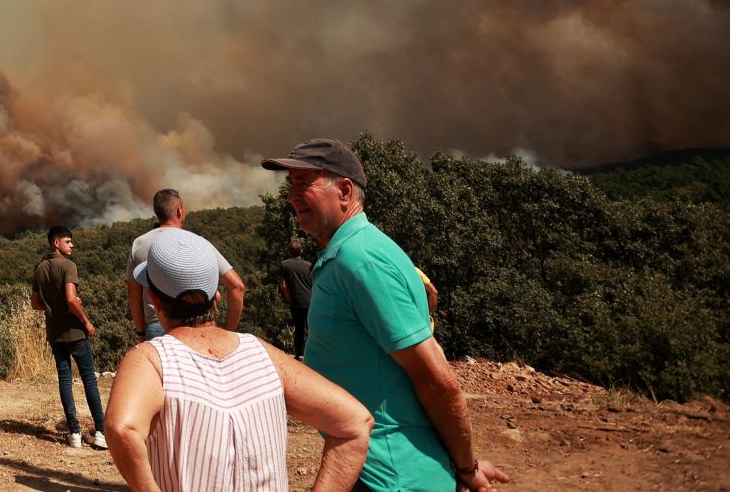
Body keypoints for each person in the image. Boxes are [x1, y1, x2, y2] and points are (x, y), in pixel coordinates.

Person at [262, 139, 510, 492]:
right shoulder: (350, 253)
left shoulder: (361, 260)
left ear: (344, 191)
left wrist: (467, 467)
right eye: (291, 185)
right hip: (376, 467)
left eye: (304, 183)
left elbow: (437, 379)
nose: (291, 195)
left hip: (391, 476)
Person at [104, 229, 372, 492]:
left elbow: (121, 429)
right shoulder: (263, 353)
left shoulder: (152, 360)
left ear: (153, 299)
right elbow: (355, 423)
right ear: (216, 297)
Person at [127, 189, 246, 339]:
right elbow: (237, 286)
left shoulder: (139, 245)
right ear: (179, 210)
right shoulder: (196, 243)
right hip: (196, 326)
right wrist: (227, 330)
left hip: (156, 327)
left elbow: (134, 295)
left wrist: (141, 333)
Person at [31, 225, 106, 449]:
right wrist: (85, 321)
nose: (72, 245)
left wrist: (53, 308)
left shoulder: (40, 268)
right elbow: (72, 299)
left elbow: (35, 304)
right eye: (68, 241)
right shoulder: (69, 266)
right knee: (88, 379)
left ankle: (74, 434)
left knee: (65, 380)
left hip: (55, 332)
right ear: (56, 243)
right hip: (75, 332)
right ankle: (101, 431)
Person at [279, 240, 314, 356]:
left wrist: (290, 299)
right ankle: (313, 355)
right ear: (301, 251)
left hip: (296, 302)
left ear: (289, 252)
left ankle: (298, 354)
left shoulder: (285, 265)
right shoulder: (309, 265)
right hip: (310, 301)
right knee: (312, 330)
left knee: (299, 330)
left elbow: (284, 286)